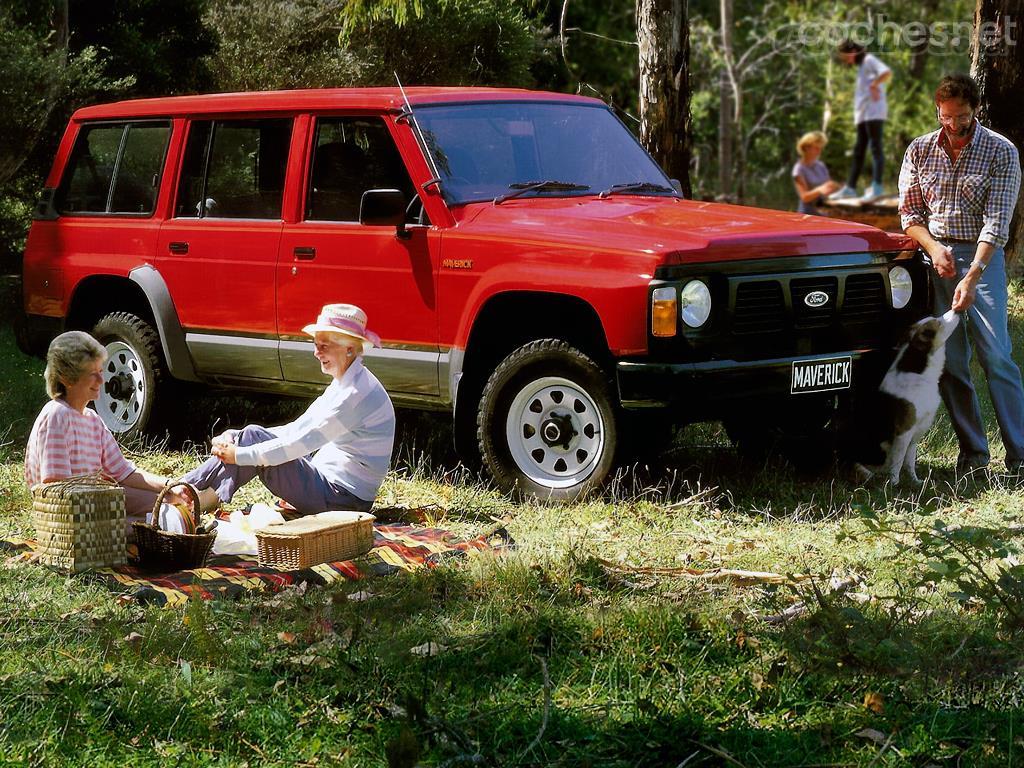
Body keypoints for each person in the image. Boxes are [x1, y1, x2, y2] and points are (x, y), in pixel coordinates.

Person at [898, 72, 1024, 477]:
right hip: (936, 255)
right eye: (947, 117)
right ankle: (974, 454)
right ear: (938, 111)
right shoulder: (919, 150)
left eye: (963, 117)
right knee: (949, 362)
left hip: (982, 257)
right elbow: (909, 215)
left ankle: (1020, 454)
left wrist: (972, 276)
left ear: (976, 110)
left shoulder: (1001, 152)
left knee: (995, 356)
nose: (955, 125)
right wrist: (934, 250)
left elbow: (997, 223)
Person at [182, 304, 396, 514]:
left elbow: (301, 443)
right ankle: (193, 492)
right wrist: (234, 438)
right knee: (251, 434)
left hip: (343, 499)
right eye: (315, 345)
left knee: (252, 441)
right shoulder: (349, 382)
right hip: (334, 488)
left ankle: (187, 491)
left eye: (324, 346)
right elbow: (298, 428)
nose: (316, 353)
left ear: (349, 349)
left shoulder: (354, 395)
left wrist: (240, 455)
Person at [24, 331, 183, 527]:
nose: (102, 380)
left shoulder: (92, 419)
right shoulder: (57, 415)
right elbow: (57, 487)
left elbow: (124, 472)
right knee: (156, 522)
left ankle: (153, 525)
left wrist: (169, 487)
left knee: (170, 504)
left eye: (101, 371)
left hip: (95, 503)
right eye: (92, 374)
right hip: (69, 518)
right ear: (66, 379)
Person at [830, 40, 892, 203]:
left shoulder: (869, 60)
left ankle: (877, 187)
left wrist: (874, 85)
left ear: (852, 52)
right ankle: (850, 188)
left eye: (845, 56)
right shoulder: (862, 66)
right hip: (864, 115)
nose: (845, 60)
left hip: (874, 113)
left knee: (875, 148)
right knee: (859, 151)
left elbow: (886, 72)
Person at [793, 131, 840, 214]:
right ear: (806, 147)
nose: (820, 151)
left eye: (821, 148)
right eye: (817, 148)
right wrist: (820, 190)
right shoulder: (798, 169)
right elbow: (804, 197)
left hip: (823, 214)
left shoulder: (821, 165)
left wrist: (835, 187)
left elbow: (828, 187)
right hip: (806, 216)